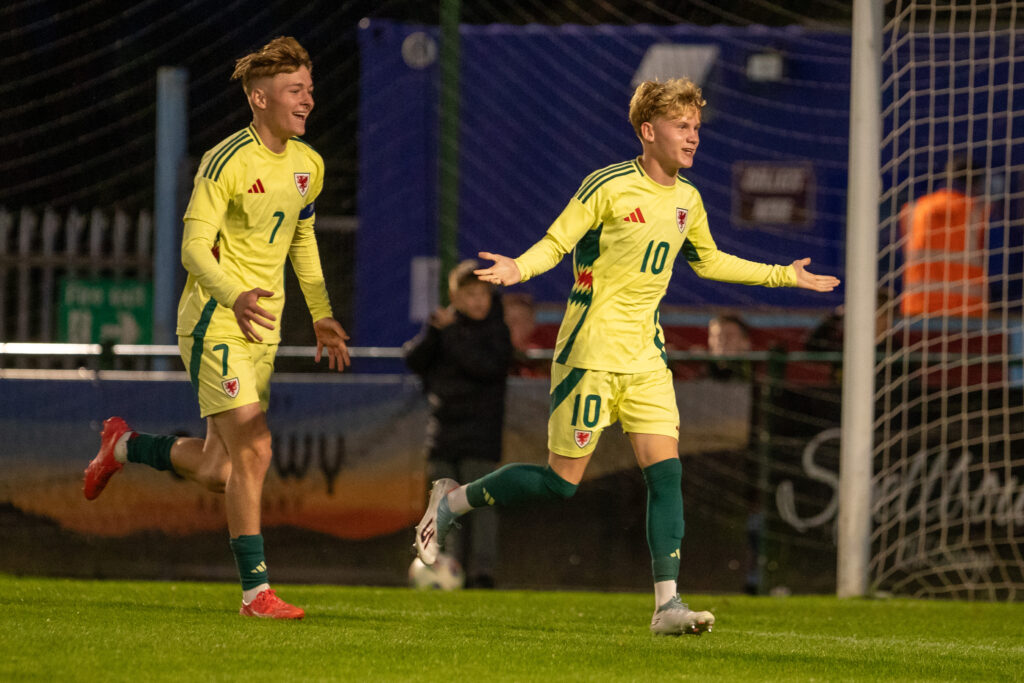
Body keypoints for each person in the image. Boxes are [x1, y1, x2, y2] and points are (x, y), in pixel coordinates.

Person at [414, 77, 839, 635]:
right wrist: (519, 266)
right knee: (560, 483)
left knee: (666, 476)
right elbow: (557, 241)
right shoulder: (608, 185)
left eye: (696, 127)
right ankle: (453, 502)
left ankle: (668, 606)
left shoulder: (688, 199)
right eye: (682, 126)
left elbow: (708, 262)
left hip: (646, 359)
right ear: (648, 130)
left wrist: (785, 275)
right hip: (589, 354)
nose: (693, 137)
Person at [82, 36, 351, 620]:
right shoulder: (226, 160)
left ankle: (122, 446)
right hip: (216, 320)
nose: (307, 101)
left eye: (309, 90)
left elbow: (301, 240)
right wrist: (234, 294)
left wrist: (322, 312)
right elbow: (193, 250)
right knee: (256, 449)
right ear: (259, 98)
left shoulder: (309, 165)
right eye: (293, 91)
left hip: (266, 326)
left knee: (217, 468)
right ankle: (256, 594)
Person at [404, 260, 513, 588]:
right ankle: (444, 566)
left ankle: (482, 573)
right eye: (470, 294)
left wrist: (449, 332)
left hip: (480, 433)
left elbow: (485, 367)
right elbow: (415, 359)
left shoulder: (496, 331)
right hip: (444, 431)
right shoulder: (446, 327)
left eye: (484, 293)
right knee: (442, 504)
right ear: (455, 295)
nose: (478, 301)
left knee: (480, 504)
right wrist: (435, 332)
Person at [900, 156, 988, 317]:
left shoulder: (914, 211)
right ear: (976, 183)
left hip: (917, 309)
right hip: (966, 312)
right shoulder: (978, 212)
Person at [503, 292, 548, 377]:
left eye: (523, 320)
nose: (512, 326)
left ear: (532, 324)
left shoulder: (540, 357)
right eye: (509, 320)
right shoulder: (489, 355)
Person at [706, 313, 753, 381]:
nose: (722, 341)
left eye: (729, 335)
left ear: (745, 343)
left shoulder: (755, 382)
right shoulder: (698, 377)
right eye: (716, 336)